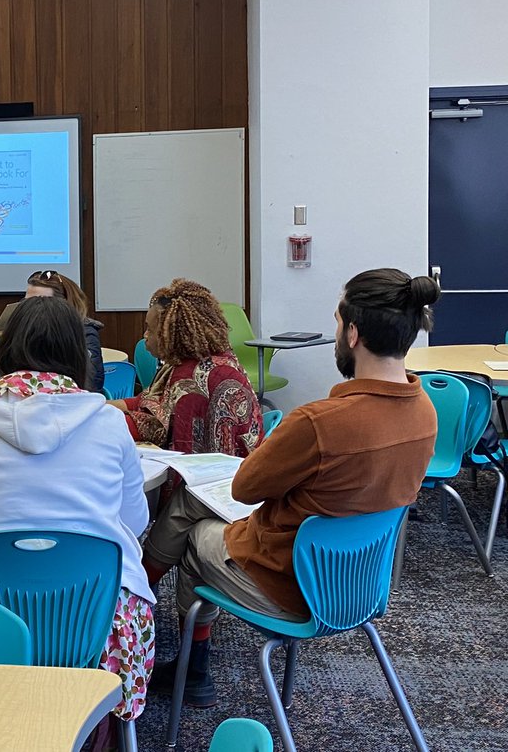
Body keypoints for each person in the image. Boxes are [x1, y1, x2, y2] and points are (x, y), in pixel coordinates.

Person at [142, 268, 441, 707]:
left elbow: (244, 487)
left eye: (338, 324)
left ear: (353, 333)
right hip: (358, 586)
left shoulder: (319, 423)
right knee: (195, 514)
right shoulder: (425, 414)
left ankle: (186, 659)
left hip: (288, 587)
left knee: (190, 536)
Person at [0, 296, 155, 727]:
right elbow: (135, 522)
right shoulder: (107, 419)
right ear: (75, 353)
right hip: (96, 620)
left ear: (4, 350)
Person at [108, 279, 261, 456]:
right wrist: (98, 405)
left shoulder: (191, 382)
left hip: (216, 477)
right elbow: (146, 402)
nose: (145, 336)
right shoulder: (193, 362)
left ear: (172, 334)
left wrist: (97, 419)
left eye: (150, 329)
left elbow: (171, 439)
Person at [24, 269, 104, 391]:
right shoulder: (25, 330)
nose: (30, 308)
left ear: (63, 304)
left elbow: (93, 383)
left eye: (39, 302)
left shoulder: (86, 333)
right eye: (26, 302)